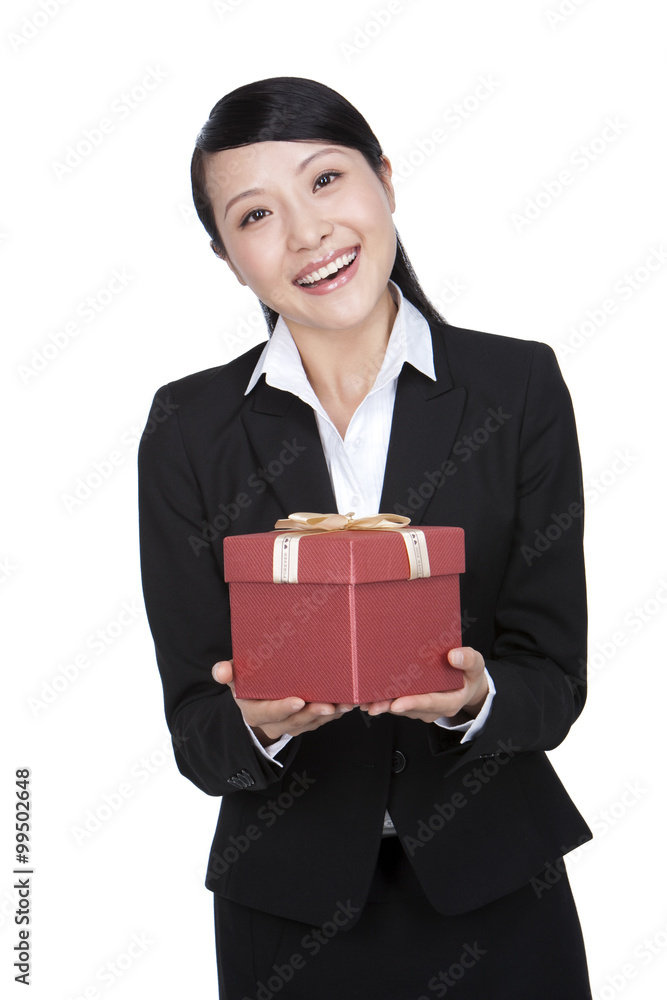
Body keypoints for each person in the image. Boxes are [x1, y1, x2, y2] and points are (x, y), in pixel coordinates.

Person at [138, 76, 593, 999]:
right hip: (289, 908)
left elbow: (553, 679)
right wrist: (253, 730)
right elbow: (196, 730)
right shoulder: (190, 426)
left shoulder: (516, 391)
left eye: (326, 181)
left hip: (498, 885)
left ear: (383, 180)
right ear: (227, 257)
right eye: (255, 214)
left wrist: (474, 699)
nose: (306, 233)